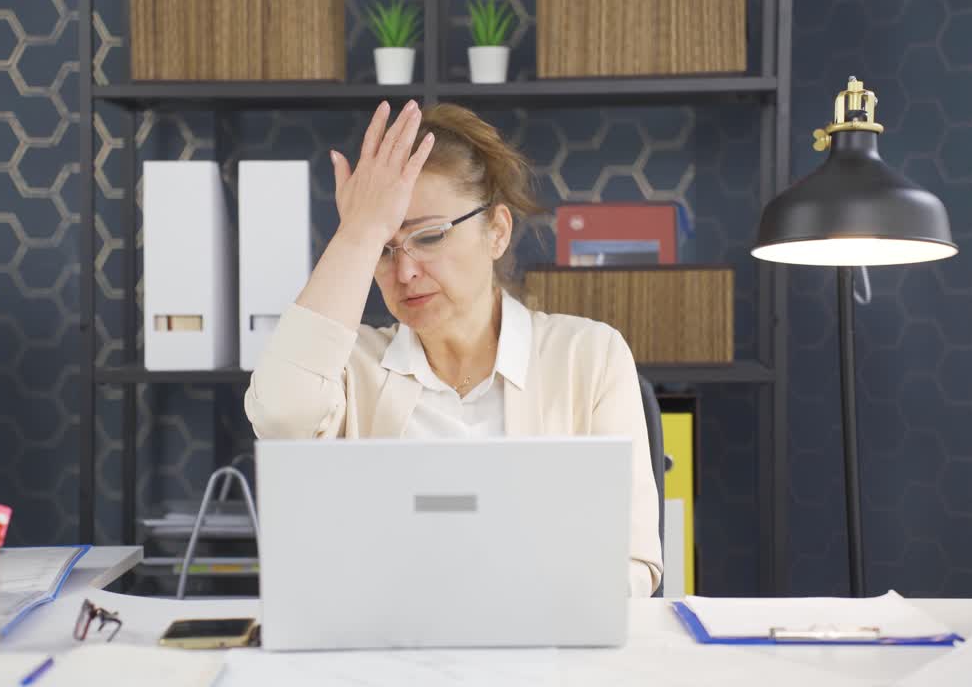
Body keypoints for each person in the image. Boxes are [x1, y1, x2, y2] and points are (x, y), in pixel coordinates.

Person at [244, 99, 663, 596]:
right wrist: (358, 233)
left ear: (497, 232)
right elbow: (280, 416)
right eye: (384, 250)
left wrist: (535, 605)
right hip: (387, 639)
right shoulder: (350, 370)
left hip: (543, 638)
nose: (405, 271)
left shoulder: (589, 356)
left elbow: (634, 561)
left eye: (429, 236)